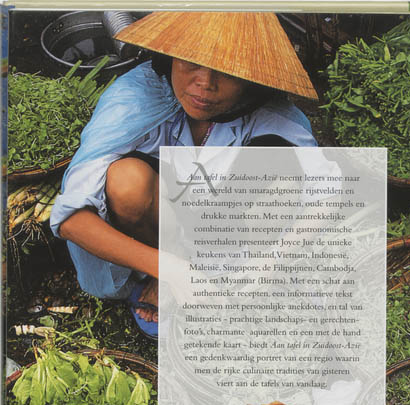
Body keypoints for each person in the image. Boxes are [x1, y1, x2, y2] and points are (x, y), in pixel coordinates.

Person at [50, 11, 318, 338]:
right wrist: (172, 270)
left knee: (279, 176)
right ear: (171, 56)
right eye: (190, 62)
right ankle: (166, 276)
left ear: (250, 78)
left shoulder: (272, 119)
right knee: (126, 181)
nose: (204, 84)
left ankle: (221, 286)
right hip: (159, 232)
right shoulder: (136, 97)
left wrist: (262, 269)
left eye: (226, 71)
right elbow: (71, 218)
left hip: (227, 245)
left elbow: (318, 202)